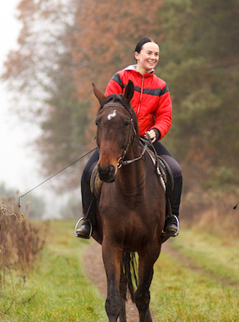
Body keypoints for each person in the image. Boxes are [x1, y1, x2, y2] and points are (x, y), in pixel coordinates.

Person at [75, 37, 183, 239]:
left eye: (156, 54)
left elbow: (165, 117)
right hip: (117, 139)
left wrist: (155, 132)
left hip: (146, 139)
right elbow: (109, 109)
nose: (153, 57)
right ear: (137, 55)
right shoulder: (120, 78)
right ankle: (88, 221)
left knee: (175, 171)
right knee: (88, 172)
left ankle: (171, 219)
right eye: (149, 53)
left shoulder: (161, 86)